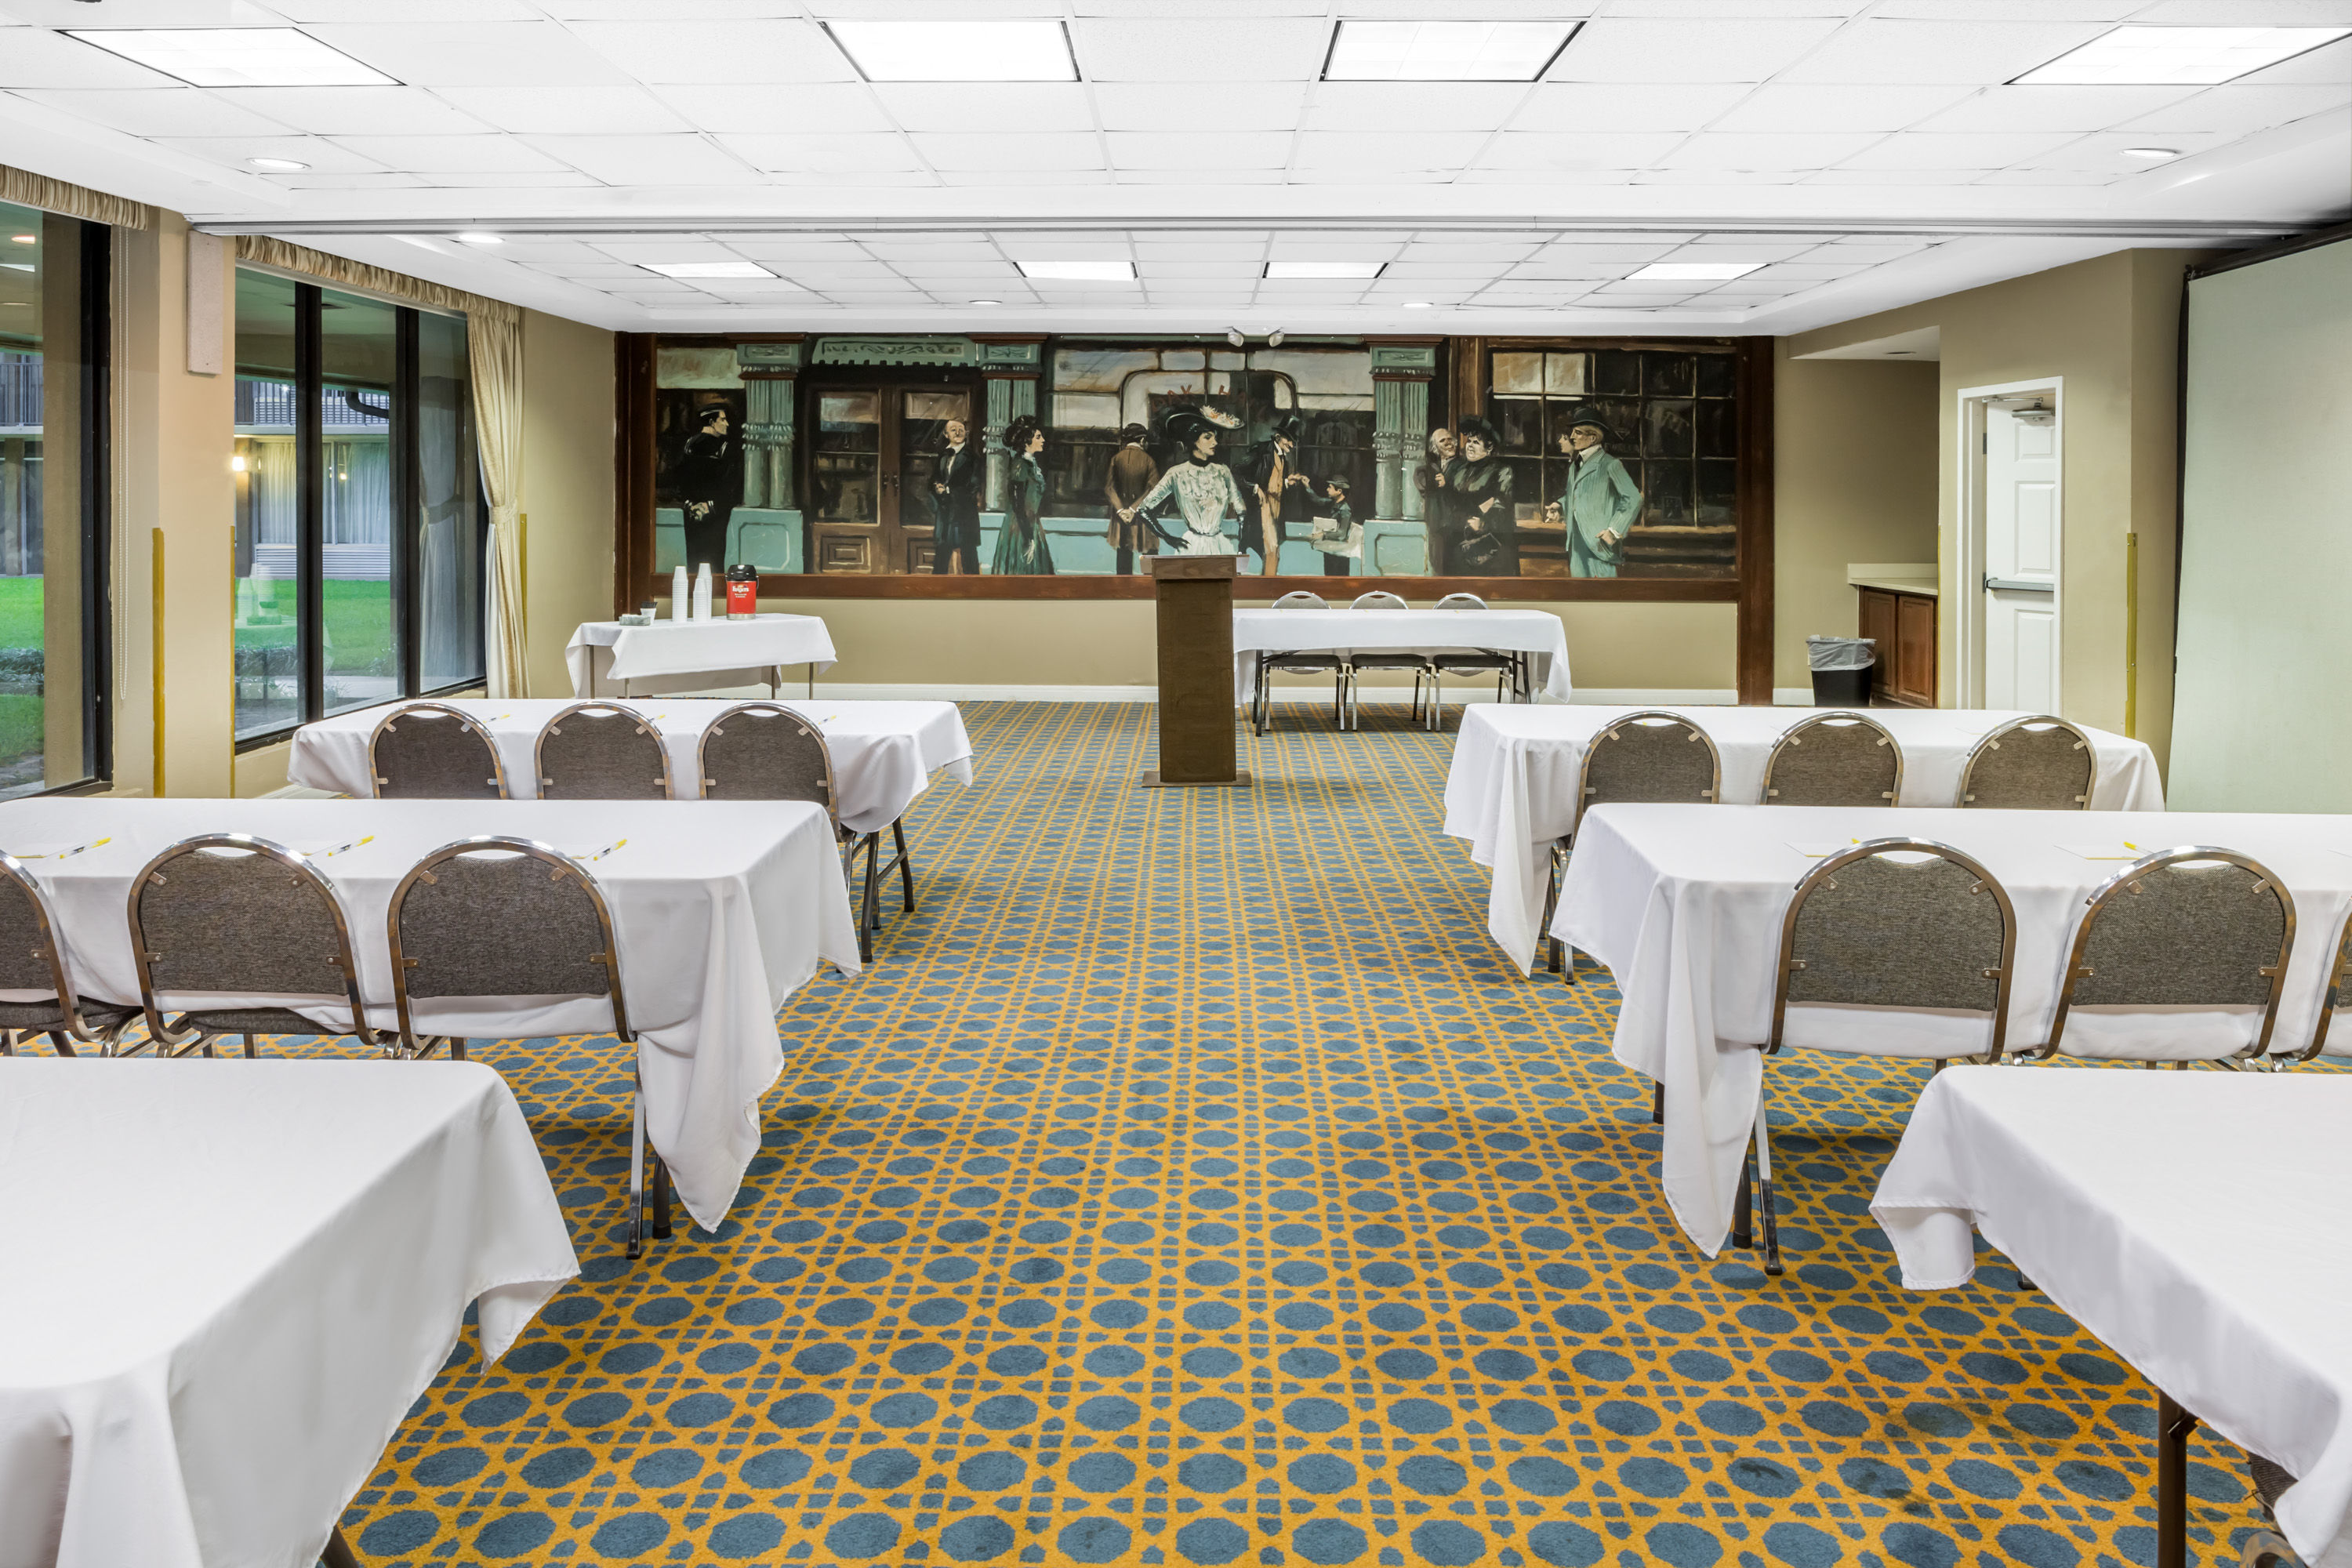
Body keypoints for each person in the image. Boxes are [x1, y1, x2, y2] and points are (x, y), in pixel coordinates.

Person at [1117, 408, 1245, 557]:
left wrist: (1242, 544)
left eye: (1215, 437)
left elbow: (1241, 509)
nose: (1215, 442)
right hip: (1191, 547)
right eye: (1208, 437)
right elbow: (1144, 509)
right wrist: (1168, 538)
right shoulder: (1177, 473)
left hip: (1221, 546)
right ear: (1194, 442)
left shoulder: (1223, 472)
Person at [1555, 412, 1642, 578]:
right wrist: (1560, 505)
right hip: (1576, 542)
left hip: (1600, 544)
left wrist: (1614, 530)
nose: (1572, 437)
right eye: (1573, 432)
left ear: (1593, 438)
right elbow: (1578, 495)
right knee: (1580, 594)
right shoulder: (1575, 465)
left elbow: (1633, 498)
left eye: (1578, 432)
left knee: (1604, 594)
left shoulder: (1610, 464)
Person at [1234, 414, 1309, 572]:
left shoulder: (1284, 460)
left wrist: (1288, 482)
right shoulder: (1261, 451)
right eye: (1288, 440)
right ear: (1278, 437)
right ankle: (1265, 584)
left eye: (1293, 441)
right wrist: (1255, 487)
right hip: (1261, 507)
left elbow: (1275, 483)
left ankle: (1268, 583)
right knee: (1269, 549)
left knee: (1273, 551)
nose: (1291, 444)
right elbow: (1237, 471)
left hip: (1276, 509)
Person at [1446, 416, 1519, 577]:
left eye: (1476, 442)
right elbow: (1449, 499)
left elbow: (1502, 505)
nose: (1470, 446)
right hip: (1458, 539)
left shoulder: (1501, 471)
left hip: (1489, 546)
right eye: (1469, 441)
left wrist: (1484, 522)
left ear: (1489, 447)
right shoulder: (1457, 468)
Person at [674, 404, 740, 569]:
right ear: (711, 422)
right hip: (714, 514)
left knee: (695, 561)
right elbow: (729, 485)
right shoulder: (725, 448)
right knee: (713, 563)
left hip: (693, 513)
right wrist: (709, 506)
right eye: (723, 420)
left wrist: (690, 504)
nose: (727, 424)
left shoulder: (689, 444)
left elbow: (681, 481)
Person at [991, 416, 1054, 575]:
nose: (1043, 440)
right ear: (1027, 442)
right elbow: (1017, 502)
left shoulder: (1030, 463)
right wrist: (1028, 537)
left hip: (1031, 522)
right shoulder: (1020, 464)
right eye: (1038, 437)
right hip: (1020, 525)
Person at [1102, 423, 1160, 575]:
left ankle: (1124, 590)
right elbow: (1153, 490)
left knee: (1123, 555)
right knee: (1149, 555)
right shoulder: (1149, 461)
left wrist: (1121, 510)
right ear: (1142, 440)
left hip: (1121, 518)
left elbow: (1109, 488)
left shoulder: (1116, 459)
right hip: (1144, 517)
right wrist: (1134, 509)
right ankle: (1149, 588)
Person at [929, 417, 983, 575]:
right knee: (942, 553)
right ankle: (936, 591)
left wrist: (949, 492)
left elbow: (975, 486)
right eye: (953, 430)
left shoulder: (973, 458)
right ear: (946, 434)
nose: (958, 432)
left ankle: (974, 591)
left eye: (961, 429)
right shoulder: (942, 456)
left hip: (964, 513)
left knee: (968, 553)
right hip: (945, 513)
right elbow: (933, 481)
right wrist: (937, 489)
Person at [1417, 426, 1457, 575]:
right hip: (1436, 523)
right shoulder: (1433, 468)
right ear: (1435, 448)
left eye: (1450, 439)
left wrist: (1447, 486)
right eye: (1443, 441)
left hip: (1454, 525)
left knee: (1450, 567)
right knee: (1436, 564)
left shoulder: (1461, 465)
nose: (1448, 443)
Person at [1305, 475, 1360, 572]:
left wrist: (1322, 534)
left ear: (1339, 491)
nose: (1327, 489)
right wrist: (1307, 487)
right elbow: (1317, 500)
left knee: (1338, 576)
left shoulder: (1345, 510)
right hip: (1331, 548)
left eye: (1330, 487)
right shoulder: (1333, 503)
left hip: (1339, 551)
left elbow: (1342, 534)